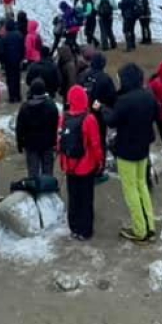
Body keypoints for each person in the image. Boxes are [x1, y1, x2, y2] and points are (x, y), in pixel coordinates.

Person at [102, 63, 159, 242]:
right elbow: (156, 114)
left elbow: (111, 121)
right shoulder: (148, 96)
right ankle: (149, 225)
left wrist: (102, 109)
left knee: (130, 189)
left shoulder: (124, 101)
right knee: (142, 185)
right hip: (143, 147)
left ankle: (139, 230)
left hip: (126, 149)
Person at [60, 85, 104, 240]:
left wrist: (63, 163)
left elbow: (59, 142)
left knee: (73, 197)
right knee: (86, 198)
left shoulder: (64, 117)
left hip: (70, 165)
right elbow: (95, 144)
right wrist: (100, 162)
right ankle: (85, 230)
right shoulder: (89, 118)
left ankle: (74, 227)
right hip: (85, 166)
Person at [16, 78, 59, 179]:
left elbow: (20, 127)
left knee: (33, 171)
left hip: (31, 145)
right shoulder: (51, 106)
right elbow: (55, 125)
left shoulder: (25, 107)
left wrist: (20, 143)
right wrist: (54, 141)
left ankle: (34, 190)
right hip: (47, 143)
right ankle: (48, 190)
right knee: (48, 171)